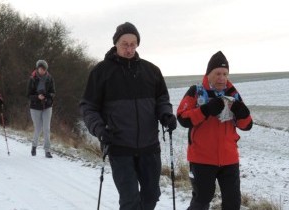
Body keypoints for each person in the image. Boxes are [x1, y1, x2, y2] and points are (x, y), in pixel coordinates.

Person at [79, 22, 177, 210]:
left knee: (152, 194)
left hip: (149, 146)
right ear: (116, 43)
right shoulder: (101, 72)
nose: (129, 48)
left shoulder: (152, 71)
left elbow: (162, 99)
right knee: (130, 199)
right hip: (118, 145)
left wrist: (166, 115)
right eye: (125, 44)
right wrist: (99, 129)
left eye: (133, 44)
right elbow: (88, 107)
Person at [176, 51, 253, 210]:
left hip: (229, 158)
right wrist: (205, 110)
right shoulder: (196, 91)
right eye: (217, 73)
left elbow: (247, 125)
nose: (222, 77)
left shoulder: (233, 94)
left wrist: (243, 113)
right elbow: (182, 118)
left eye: (225, 74)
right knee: (202, 199)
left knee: (233, 203)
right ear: (208, 74)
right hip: (202, 158)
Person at [27, 59, 56, 158]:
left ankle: (47, 150)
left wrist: (47, 97)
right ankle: (34, 146)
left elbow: (53, 92)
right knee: (38, 128)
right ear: (37, 68)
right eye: (40, 68)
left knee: (46, 128)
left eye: (43, 69)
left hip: (47, 106)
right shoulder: (32, 79)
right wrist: (37, 97)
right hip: (35, 107)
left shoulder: (50, 78)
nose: (41, 70)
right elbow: (28, 95)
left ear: (46, 69)